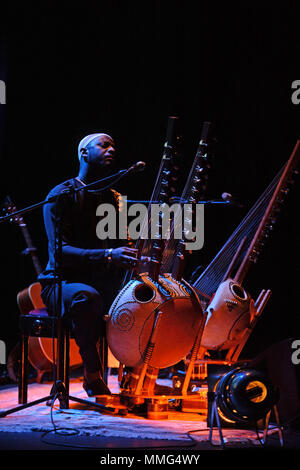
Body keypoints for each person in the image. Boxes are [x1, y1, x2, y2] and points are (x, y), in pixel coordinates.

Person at [38, 133, 138, 396]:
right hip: (60, 284)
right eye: (104, 145)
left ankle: (135, 374)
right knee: (87, 297)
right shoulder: (61, 195)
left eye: (114, 145)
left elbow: (121, 242)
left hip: (102, 281)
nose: (112, 149)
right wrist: (107, 254)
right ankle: (92, 374)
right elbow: (60, 253)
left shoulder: (114, 198)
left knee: (144, 299)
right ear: (84, 153)